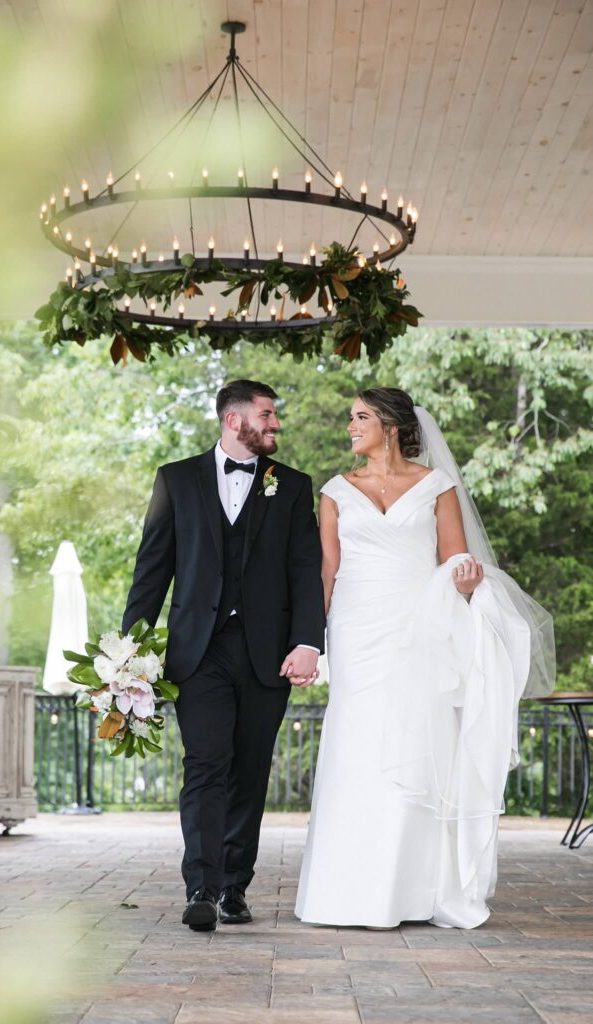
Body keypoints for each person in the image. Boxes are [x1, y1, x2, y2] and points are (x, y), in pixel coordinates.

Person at [295, 387, 555, 930]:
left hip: (419, 627)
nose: (351, 426)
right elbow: (326, 570)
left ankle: (412, 892)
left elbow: (457, 560)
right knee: (356, 747)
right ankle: (345, 891)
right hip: (357, 629)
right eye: (351, 417)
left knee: (420, 741)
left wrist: (467, 579)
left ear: (390, 425)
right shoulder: (336, 491)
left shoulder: (437, 486)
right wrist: (313, 643)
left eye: (360, 417)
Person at [123, 379, 325, 931]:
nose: (276, 424)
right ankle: (202, 888)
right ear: (235, 421)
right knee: (206, 766)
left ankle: (235, 886)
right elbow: (151, 572)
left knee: (250, 771)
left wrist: (310, 642)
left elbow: (306, 570)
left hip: (269, 657)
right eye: (267, 414)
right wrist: (129, 656)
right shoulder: (175, 480)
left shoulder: (292, 486)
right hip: (198, 654)